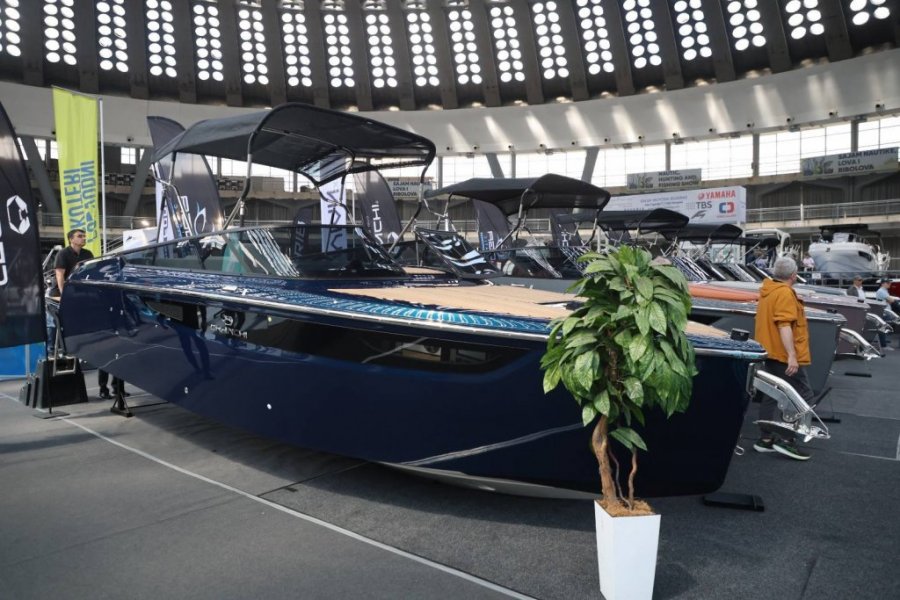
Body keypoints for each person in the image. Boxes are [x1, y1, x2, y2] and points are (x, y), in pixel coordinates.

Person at [753, 256, 813, 461]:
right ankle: (787, 440)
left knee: (771, 395)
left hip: (768, 352)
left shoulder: (768, 291)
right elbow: (784, 325)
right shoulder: (785, 293)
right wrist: (792, 356)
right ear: (794, 275)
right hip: (782, 355)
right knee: (803, 394)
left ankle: (765, 439)